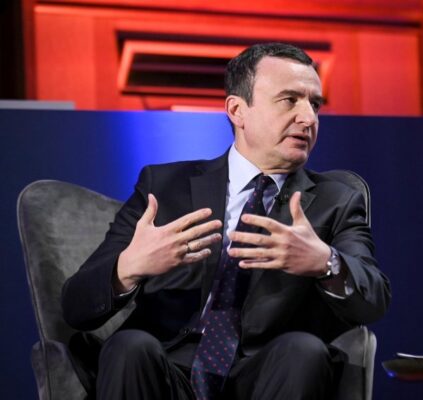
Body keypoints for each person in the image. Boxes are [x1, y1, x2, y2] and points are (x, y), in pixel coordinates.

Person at [62, 42, 391, 400]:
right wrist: (129, 267)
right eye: (289, 100)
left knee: (304, 350)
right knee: (129, 346)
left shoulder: (336, 199)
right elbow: (76, 307)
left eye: (315, 104)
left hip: (269, 374)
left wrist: (325, 263)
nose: (308, 118)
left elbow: (372, 299)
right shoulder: (165, 187)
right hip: (167, 374)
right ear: (237, 110)